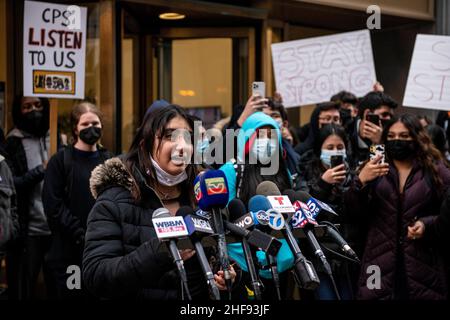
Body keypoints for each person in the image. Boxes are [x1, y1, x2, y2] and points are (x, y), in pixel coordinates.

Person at [82, 104, 236, 299]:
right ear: (144, 144)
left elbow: (214, 259)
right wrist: (161, 252)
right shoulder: (113, 201)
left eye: (188, 138)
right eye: (170, 136)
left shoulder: (202, 196)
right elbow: (96, 276)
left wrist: (222, 274)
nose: (182, 146)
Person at [345, 114, 450, 299]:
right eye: (391, 136)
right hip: (378, 261)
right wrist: (360, 182)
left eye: (404, 136)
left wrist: (427, 224)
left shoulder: (435, 169)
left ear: (417, 137)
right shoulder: (374, 167)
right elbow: (354, 213)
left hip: (423, 262)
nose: (397, 141)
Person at [220, 111, 295, 299]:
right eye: (261, 135)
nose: (266, 142)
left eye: (272, 136)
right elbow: (226, 217)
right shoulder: (231, 170)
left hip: (282, 260)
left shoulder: (283, 172)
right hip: (243, 262)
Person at [42, 102, 113, 299]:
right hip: (69, 252)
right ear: (75, 128)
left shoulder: (109, 160)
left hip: (102, 251)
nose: (91, 129)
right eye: (85, 124)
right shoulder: (60, 161)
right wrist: (79, 233)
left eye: (95, 123)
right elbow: (53, 206)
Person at [296, 124, 361, 300]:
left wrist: (356, 185)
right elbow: (304, 210)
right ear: (319, 150)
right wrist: (323, 184)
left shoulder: (355, 175)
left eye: (340, 147)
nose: (335, 152)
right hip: (320, 256)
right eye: (329, 147)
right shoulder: (305, 174)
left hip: (348, 255)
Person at [5, 95, 52, 299]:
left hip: (56, 229)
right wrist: (40, 171)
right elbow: (10, 184)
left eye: (38, 105)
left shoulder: (57, 137)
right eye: (27, 106)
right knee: (24, 287)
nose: (34, 110)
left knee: (68, 283)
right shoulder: (12, 143)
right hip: (28, 231)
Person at [350, 91, 397, 164]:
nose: (388, 119)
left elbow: (378, 171)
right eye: (384, 114)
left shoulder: (392, 138)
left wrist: (379, 144)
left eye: (391, 116)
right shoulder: (345, 133)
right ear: (368, 113)